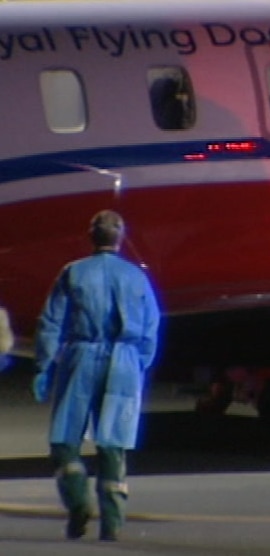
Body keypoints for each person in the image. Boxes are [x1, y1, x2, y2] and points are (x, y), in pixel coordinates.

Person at [32, 210, 161, 541]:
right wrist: (138, 365)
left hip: (82, 357)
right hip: (124, 359)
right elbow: (150, 327)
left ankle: (77, 501)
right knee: (113, 442)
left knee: (65, 439)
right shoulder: (136, 277)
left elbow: (51, 322)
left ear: (92, 236)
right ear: (120, 237)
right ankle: (113, 522)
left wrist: (45, 365)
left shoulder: (73, 272)